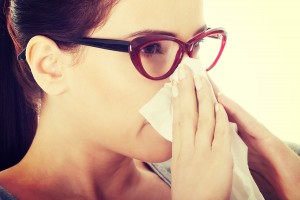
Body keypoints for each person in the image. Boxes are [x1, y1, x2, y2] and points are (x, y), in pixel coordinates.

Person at [0, 0, 299, 199]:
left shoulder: (269, 173)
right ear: (50, 66)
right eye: (152, 48)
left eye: (195, 45)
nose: (187, 79)